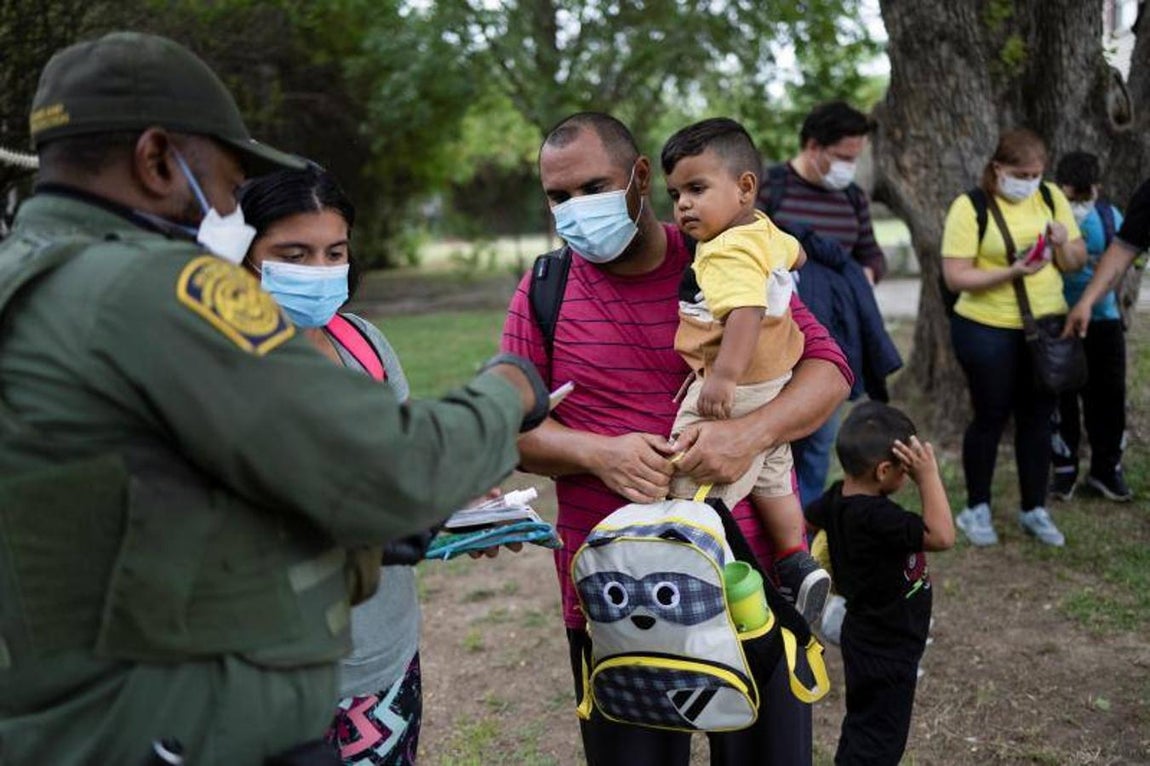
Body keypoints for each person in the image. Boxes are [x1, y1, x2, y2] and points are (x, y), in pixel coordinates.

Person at [0, 32, 549, 765]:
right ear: (157, 159)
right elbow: (394, 468)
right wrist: (508, 388)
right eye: (227, 182)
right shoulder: (153, 288)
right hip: (171, 726)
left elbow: (127, 502)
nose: (228, 208)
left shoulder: (26, 278)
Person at [501, 111, 853, 766]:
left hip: (748, 586)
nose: (575, 209)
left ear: (640, 179)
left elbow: (828, 370)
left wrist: (748, 435)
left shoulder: (723, 258)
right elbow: (512, 432)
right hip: (613, 601)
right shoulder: (544, 289)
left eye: (593, 188)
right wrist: (597, 453)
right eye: (559, 197)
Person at [238, 166, 431, 764]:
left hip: (383, 655)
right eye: (294, 254)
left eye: (334, 252)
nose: (319, 272)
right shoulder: (208, 367)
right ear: (240, 257)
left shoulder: (364, 343)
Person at [660, 117, 829, 623]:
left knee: (690, 456)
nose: (684, 204)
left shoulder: (725, 249)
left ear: (745, 187)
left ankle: (696, 556)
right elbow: (797, 256)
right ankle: (797, 563)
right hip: (778, 376)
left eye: (696, 188)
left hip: (743, 380)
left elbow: (745, 313)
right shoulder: (761, 230)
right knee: (774, 469)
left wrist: (724, 377)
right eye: (675, 194)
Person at [941, 128, 1086, 548]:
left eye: (1037, 173)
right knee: (990, 415)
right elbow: (956, 275)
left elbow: (1075, 261)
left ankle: (1034, 508)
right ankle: (977, 507)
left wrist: (1062, 243)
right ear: (998, 169)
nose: (1029, 181)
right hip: (986, 326)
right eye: (1021, 173)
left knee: (1039, 418)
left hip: (1045, 325)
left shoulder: (1051, 198)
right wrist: (1013, 272)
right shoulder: (971, 207)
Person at [757, 100, 901, 508]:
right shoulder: (771, 187)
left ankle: (803, 533)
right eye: (842, 157)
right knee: (771, 442)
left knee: (819, 441)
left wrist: (859, 280)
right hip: (774, 338)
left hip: (832, 342)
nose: (849, 167)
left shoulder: (852, 197)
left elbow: (871, 254)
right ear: (813, 146)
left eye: (855, 158)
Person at [803, 402, 955, 766]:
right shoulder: (881, 518)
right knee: (878, 740)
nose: (909, 476)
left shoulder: (838, 498)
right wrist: (929, 477)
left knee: (865, 724)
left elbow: (804, 521)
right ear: (884, 471)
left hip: (866, 634)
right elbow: (942, 535)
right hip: (890, 644)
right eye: (905, 471)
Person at [1049, 151, 1132, 502]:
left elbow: (1125, 264)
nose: (1079, 204)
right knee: (1062, 397)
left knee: (1108, 398)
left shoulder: (1111, 218)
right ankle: (1064, 471)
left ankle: (1106, 470)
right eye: (1072, 198)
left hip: (1104, 321)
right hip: (1057, 321)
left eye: (1086, 196)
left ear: (1097, 188)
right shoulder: (1047, 218)